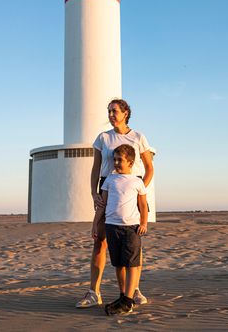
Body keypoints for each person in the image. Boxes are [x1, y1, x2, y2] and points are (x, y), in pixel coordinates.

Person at [76, 98, 154, 308]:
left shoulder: (138, 137)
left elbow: (149, 168)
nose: (111, 115)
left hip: (133, 187)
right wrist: (94, 192)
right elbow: (96, 167)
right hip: (108, 187)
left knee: (134, 240)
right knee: (99, 240)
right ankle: (94, 292)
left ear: (125, 113)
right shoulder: (103, 138)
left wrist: (140, 191)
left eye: (115, 111)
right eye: (109, 111)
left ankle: (134, 290)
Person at [92, 144, 148, 314]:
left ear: (130, 162)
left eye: (120, 160)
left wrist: (144, 223)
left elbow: (143, 205)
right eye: (114, 159)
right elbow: (102, 205)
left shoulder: (137, 182)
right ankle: (123, 295)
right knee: (118, 264)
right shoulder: (109, 180)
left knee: (131, 263)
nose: (116, 163)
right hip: (111, 226)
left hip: (131, 227)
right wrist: (95, 223)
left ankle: (128, 300)